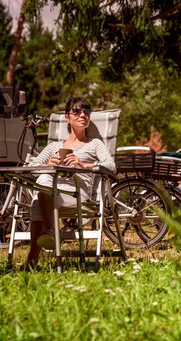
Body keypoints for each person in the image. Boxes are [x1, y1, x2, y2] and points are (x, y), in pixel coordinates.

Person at [25, 97, 116, 267]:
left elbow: (111, 166)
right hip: (52, 191)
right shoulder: (54, 147)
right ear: (67, 117)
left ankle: (33, 259)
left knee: (39, 201)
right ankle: (49, 234)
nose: (83, 115)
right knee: (43, 184)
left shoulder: (95, 144)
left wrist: (83, 165)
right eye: (77, 111)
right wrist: (47, 165)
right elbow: (31, 167)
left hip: (77, 194)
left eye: (86, 111)